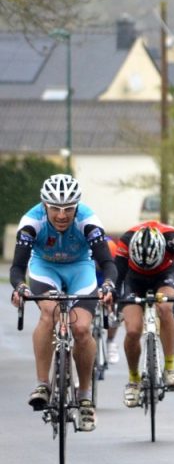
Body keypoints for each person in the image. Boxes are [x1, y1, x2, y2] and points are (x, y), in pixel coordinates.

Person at [9, 175, 117, 430]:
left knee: (81, 329)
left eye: (68, 209)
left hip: (80, 269)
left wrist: (108, 285)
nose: (61, 215)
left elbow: (108, 263)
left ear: (77, 206)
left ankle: (85, 396)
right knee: (49, 315)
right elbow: (17, 268)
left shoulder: (89, 221)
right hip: (45, 268)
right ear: (44, 205)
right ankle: (42, 384)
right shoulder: (31, 222)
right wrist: (21, 287)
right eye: (55, 208)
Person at [113, 221, 174, 407]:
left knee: (166, 307)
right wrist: (116, 309)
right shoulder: (126, 240)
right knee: (133, 330)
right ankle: (133, 380)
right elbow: (117, 278)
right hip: (133, 279)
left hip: (164, 275)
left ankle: (169, 368)